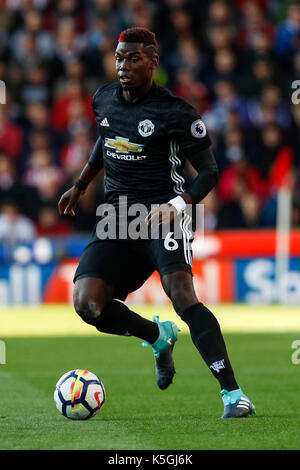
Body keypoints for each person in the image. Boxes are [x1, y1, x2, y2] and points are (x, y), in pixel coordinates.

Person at [58, 27, 255, 418]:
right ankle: (157, 337)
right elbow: (106, 139)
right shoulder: (103, 99)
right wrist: (80, 184)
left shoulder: (176, 112)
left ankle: (233, 395)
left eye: (133, 59)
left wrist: (178, 205)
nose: (123, 66)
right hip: (118, 217)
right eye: (119, 58)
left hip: (163, 214)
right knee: (87, 304)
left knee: (181, 293)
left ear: (153, 61)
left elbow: (210, 172)